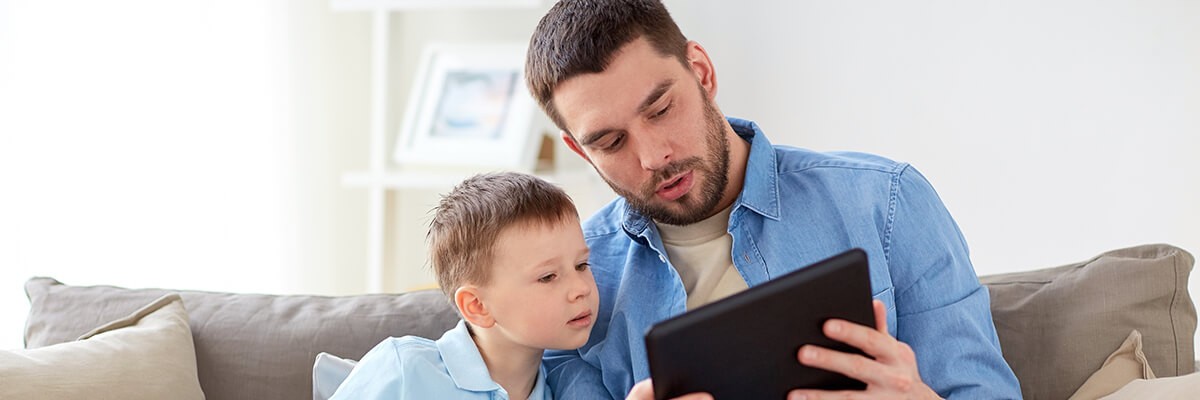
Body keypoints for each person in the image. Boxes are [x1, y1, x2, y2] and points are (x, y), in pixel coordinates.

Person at [523, 1, 1023, 399]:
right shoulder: (573, 283)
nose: (654, 157)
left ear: (702, 72)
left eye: (661, 110)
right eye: (611, 143)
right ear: (580, 152)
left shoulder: (886, 202)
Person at [330, 172, 600, 400]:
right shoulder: (405, 369)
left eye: (581, 265)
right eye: (548, 277)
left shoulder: (563, 389)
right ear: (477, 306)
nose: (581, 288)